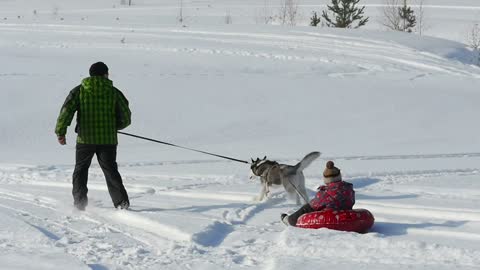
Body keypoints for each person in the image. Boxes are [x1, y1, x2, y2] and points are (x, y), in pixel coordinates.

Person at [55, 62, 132, 211]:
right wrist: (116, 127)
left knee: (81, 170)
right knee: (110, 170)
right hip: (108, 141)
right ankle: (122, 203)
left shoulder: (79, 91)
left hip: (85, 139)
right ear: (104, 74)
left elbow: (66, 112)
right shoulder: (114, 92)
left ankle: (80, 203)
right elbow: (126, 116)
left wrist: (61, 132)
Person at [281, 160, 355, 226]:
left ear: (326, 179)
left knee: (307, 208)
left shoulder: (325, 192)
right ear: (339, 176)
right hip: (347, 215)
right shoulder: (349, 188)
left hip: (330, 218)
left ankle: (290, 220)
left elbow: (314, 205)